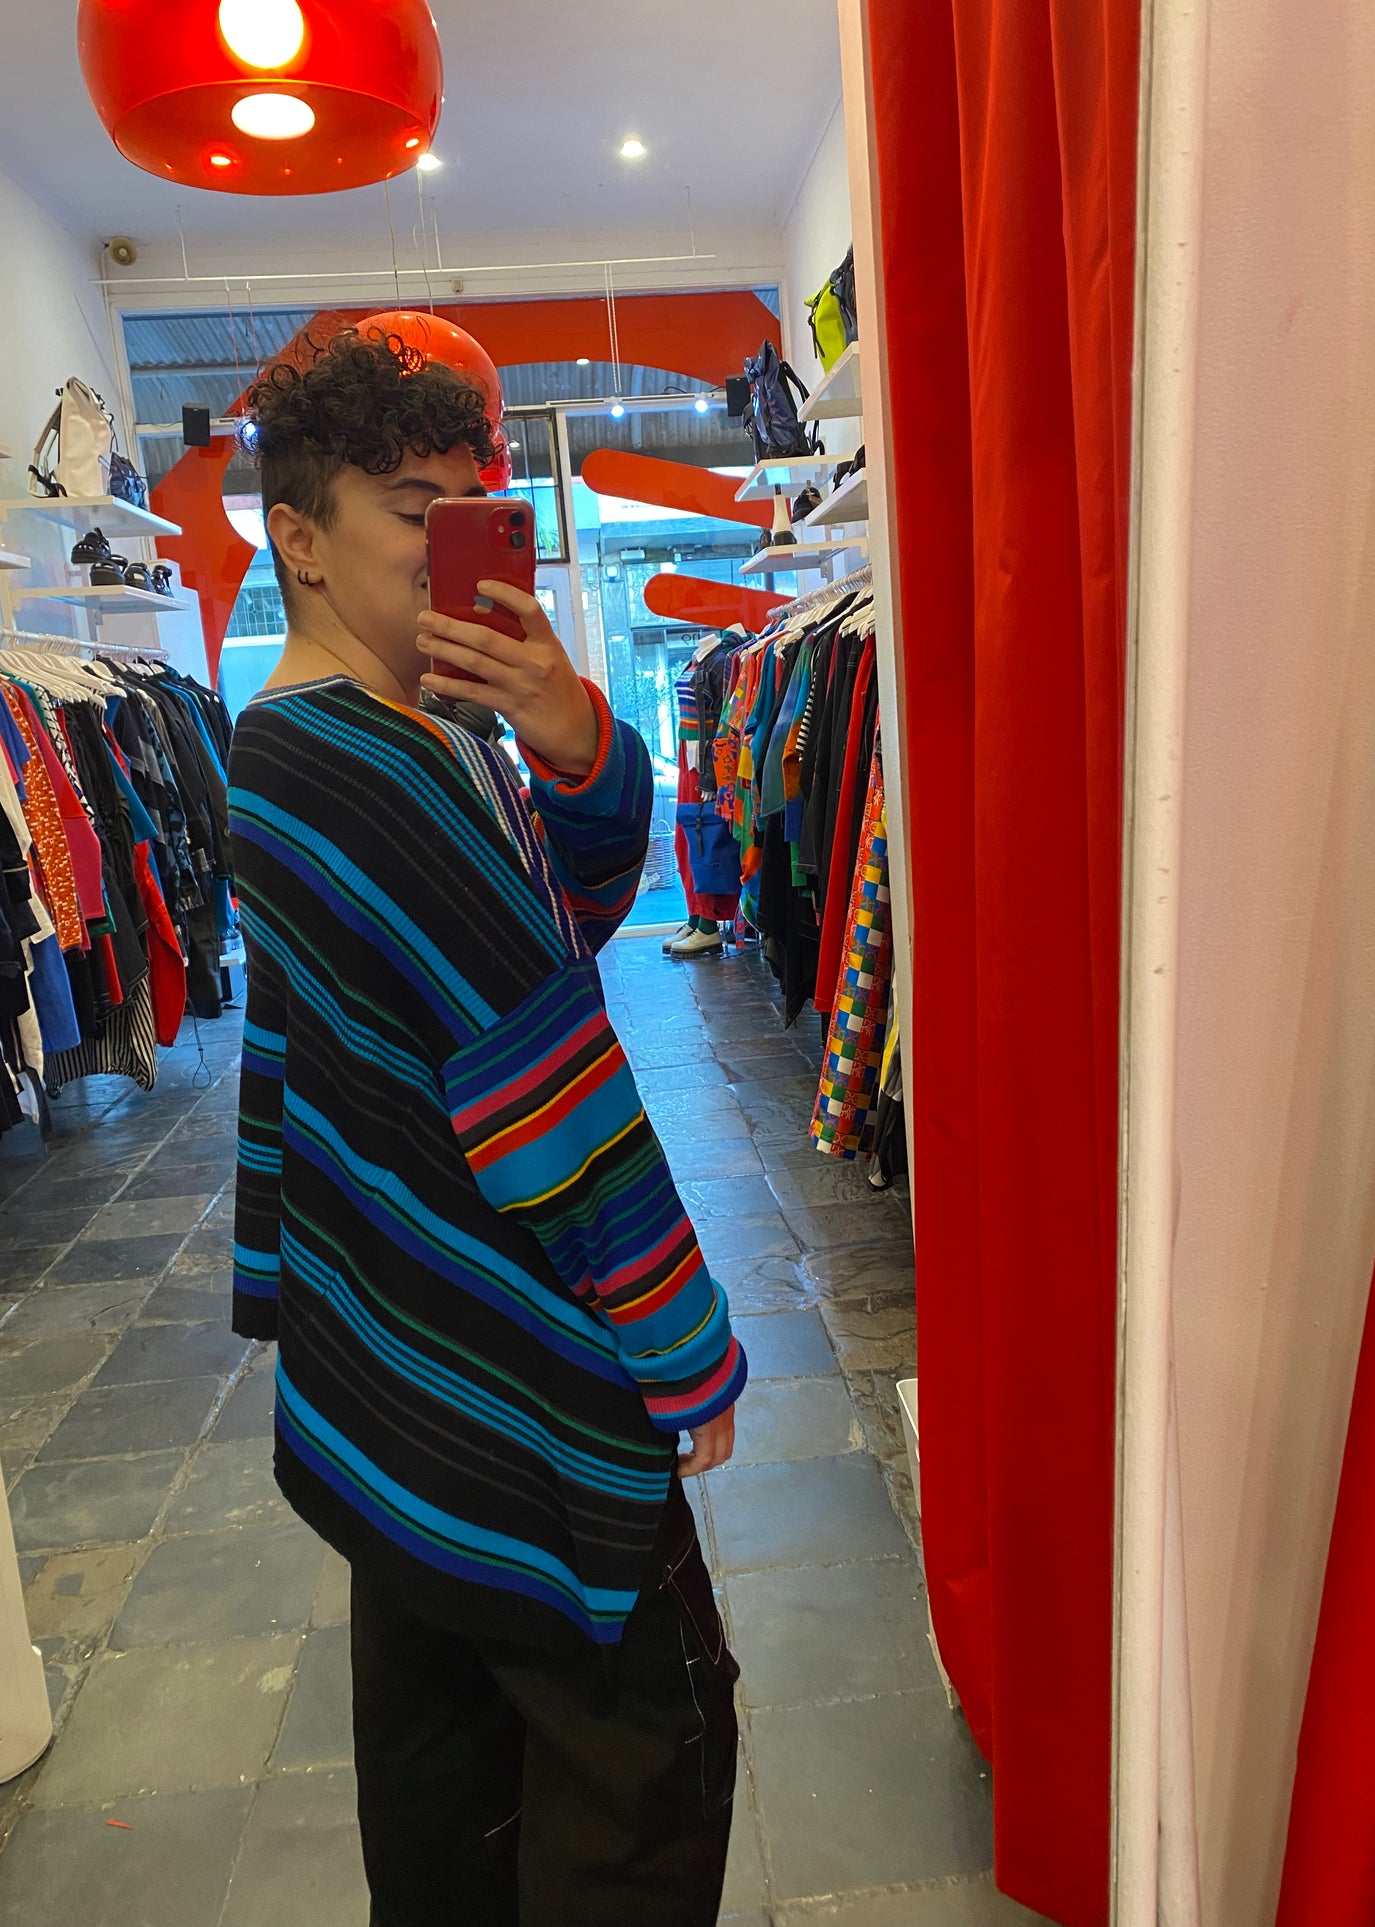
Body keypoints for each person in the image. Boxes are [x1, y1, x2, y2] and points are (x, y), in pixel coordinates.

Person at [227, 329, 748, 1927]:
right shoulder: (367, 769)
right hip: (511, 1368)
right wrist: (683, 1342)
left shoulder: (375, 735)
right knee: (637, 1773)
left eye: (472, 507)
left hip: (398, 1364)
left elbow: (560, 920)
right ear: (299, 540)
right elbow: (549, 1084)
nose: (449, 542)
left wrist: (573, 739)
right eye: (410, 509)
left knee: (447, 1769)